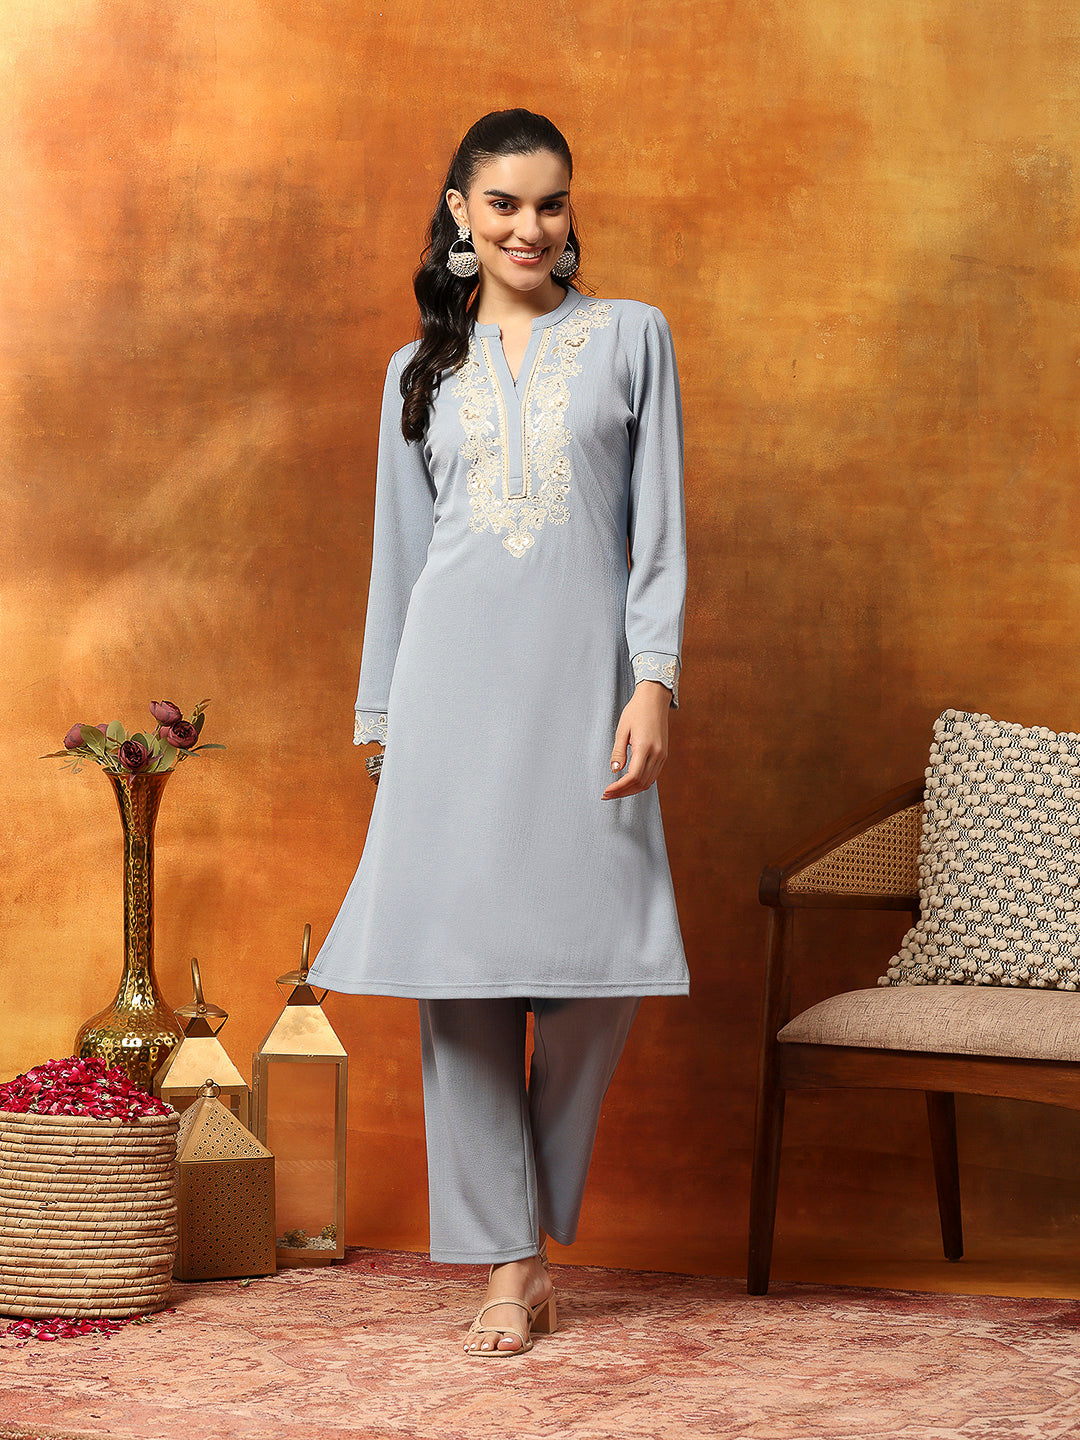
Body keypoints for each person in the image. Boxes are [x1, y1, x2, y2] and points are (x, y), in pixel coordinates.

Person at [307, 108, 688, 1356]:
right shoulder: (416, 374)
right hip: (450, 698)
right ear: (461, 214)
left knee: (598, 974)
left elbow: (658, 530)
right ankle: (512, 1268)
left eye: (552, 203)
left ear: (571, 212)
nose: (531, 228)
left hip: (585, 694)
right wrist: (383, 722)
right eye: (506, 204)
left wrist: (654, 678)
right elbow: (400, 564)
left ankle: (521, 1224)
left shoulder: (630, 338)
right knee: (463, 989)